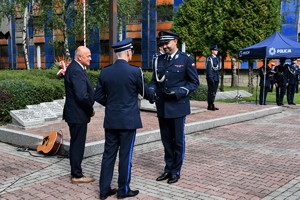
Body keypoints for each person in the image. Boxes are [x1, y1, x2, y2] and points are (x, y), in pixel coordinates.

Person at [95, 38, 154, 199]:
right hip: (128, 121)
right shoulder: (135, 72)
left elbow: (98, 95)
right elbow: (145, 92)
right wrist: (154, 94)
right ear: (128, 52)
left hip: (112, 120)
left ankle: (104, 189)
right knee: (125, 156)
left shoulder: (105, 71)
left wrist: (112, 105)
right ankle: (123, 190)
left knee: (108, 155)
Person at [149, 31, 199, 184]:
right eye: (162, 44)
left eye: (167, 43)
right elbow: (154, 81)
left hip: (177, 106)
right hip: (162, 106)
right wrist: (150, 91)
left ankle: (176, 171)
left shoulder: (186, 59)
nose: (164, 46)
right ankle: (168, 168)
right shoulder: (159, 60)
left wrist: (178, 92)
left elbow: (193, 82)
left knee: (177, 140)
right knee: (166, 140)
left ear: (175, 41)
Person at [63, 46, 95, 184]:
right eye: (87, 56)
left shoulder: (77, 68)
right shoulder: (76, 70)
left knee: (77, 143)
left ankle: (78, 171)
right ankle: (76, 175)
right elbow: (81, 97)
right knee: (77, 145)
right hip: (77, 114)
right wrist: (90, 110)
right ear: (79, 57)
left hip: (76, 114)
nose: (90, 58)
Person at [206, 45, 221, 111]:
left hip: (216, 78)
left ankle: (212, 103)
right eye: (215, 50)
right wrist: (211, 78)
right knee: (211, 92)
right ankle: (210, 105)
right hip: (211, 78)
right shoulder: (210, 59)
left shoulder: (217, 58)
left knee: (214, 92)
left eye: (217, 50)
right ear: (212, 51)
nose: (216, 51)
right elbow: (209, 69)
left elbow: (217, 69)